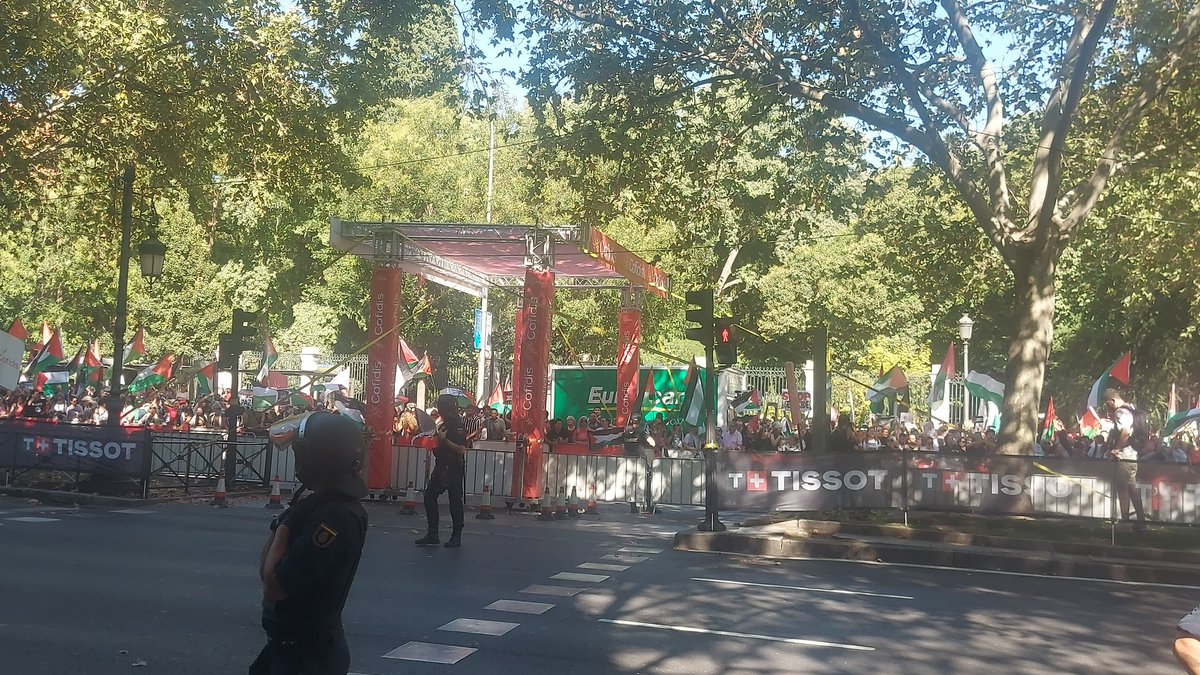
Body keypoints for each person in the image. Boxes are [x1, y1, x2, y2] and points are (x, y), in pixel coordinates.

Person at [252, 410, 369, 675]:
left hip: (307, 657)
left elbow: (274, 585)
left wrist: (286, 524)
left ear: (319, 459)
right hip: (291, 649)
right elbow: (265, 569)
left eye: (301, 452)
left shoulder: (335, 517)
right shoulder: (319, 507)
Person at [415, 394, 469, 549]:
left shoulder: (457, 426)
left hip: (453, 469)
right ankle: (433, 533)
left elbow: (461, 449)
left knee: (455, 502)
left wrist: (444, 440)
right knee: (429, 497)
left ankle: (456, 536)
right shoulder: (443, 424)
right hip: (441, 467)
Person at [1104, 387, 1148, 529]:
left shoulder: (1120, 412)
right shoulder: (1131, 408)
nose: (1107, 406)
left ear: (1112, 400)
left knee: (1122, 490)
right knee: (1132, 489)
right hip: (1133, 454)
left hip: (1124, 456)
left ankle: (1125, 523)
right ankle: (1142, 522)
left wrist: (1116, 448)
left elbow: (1126, 431)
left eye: (1107, 403)